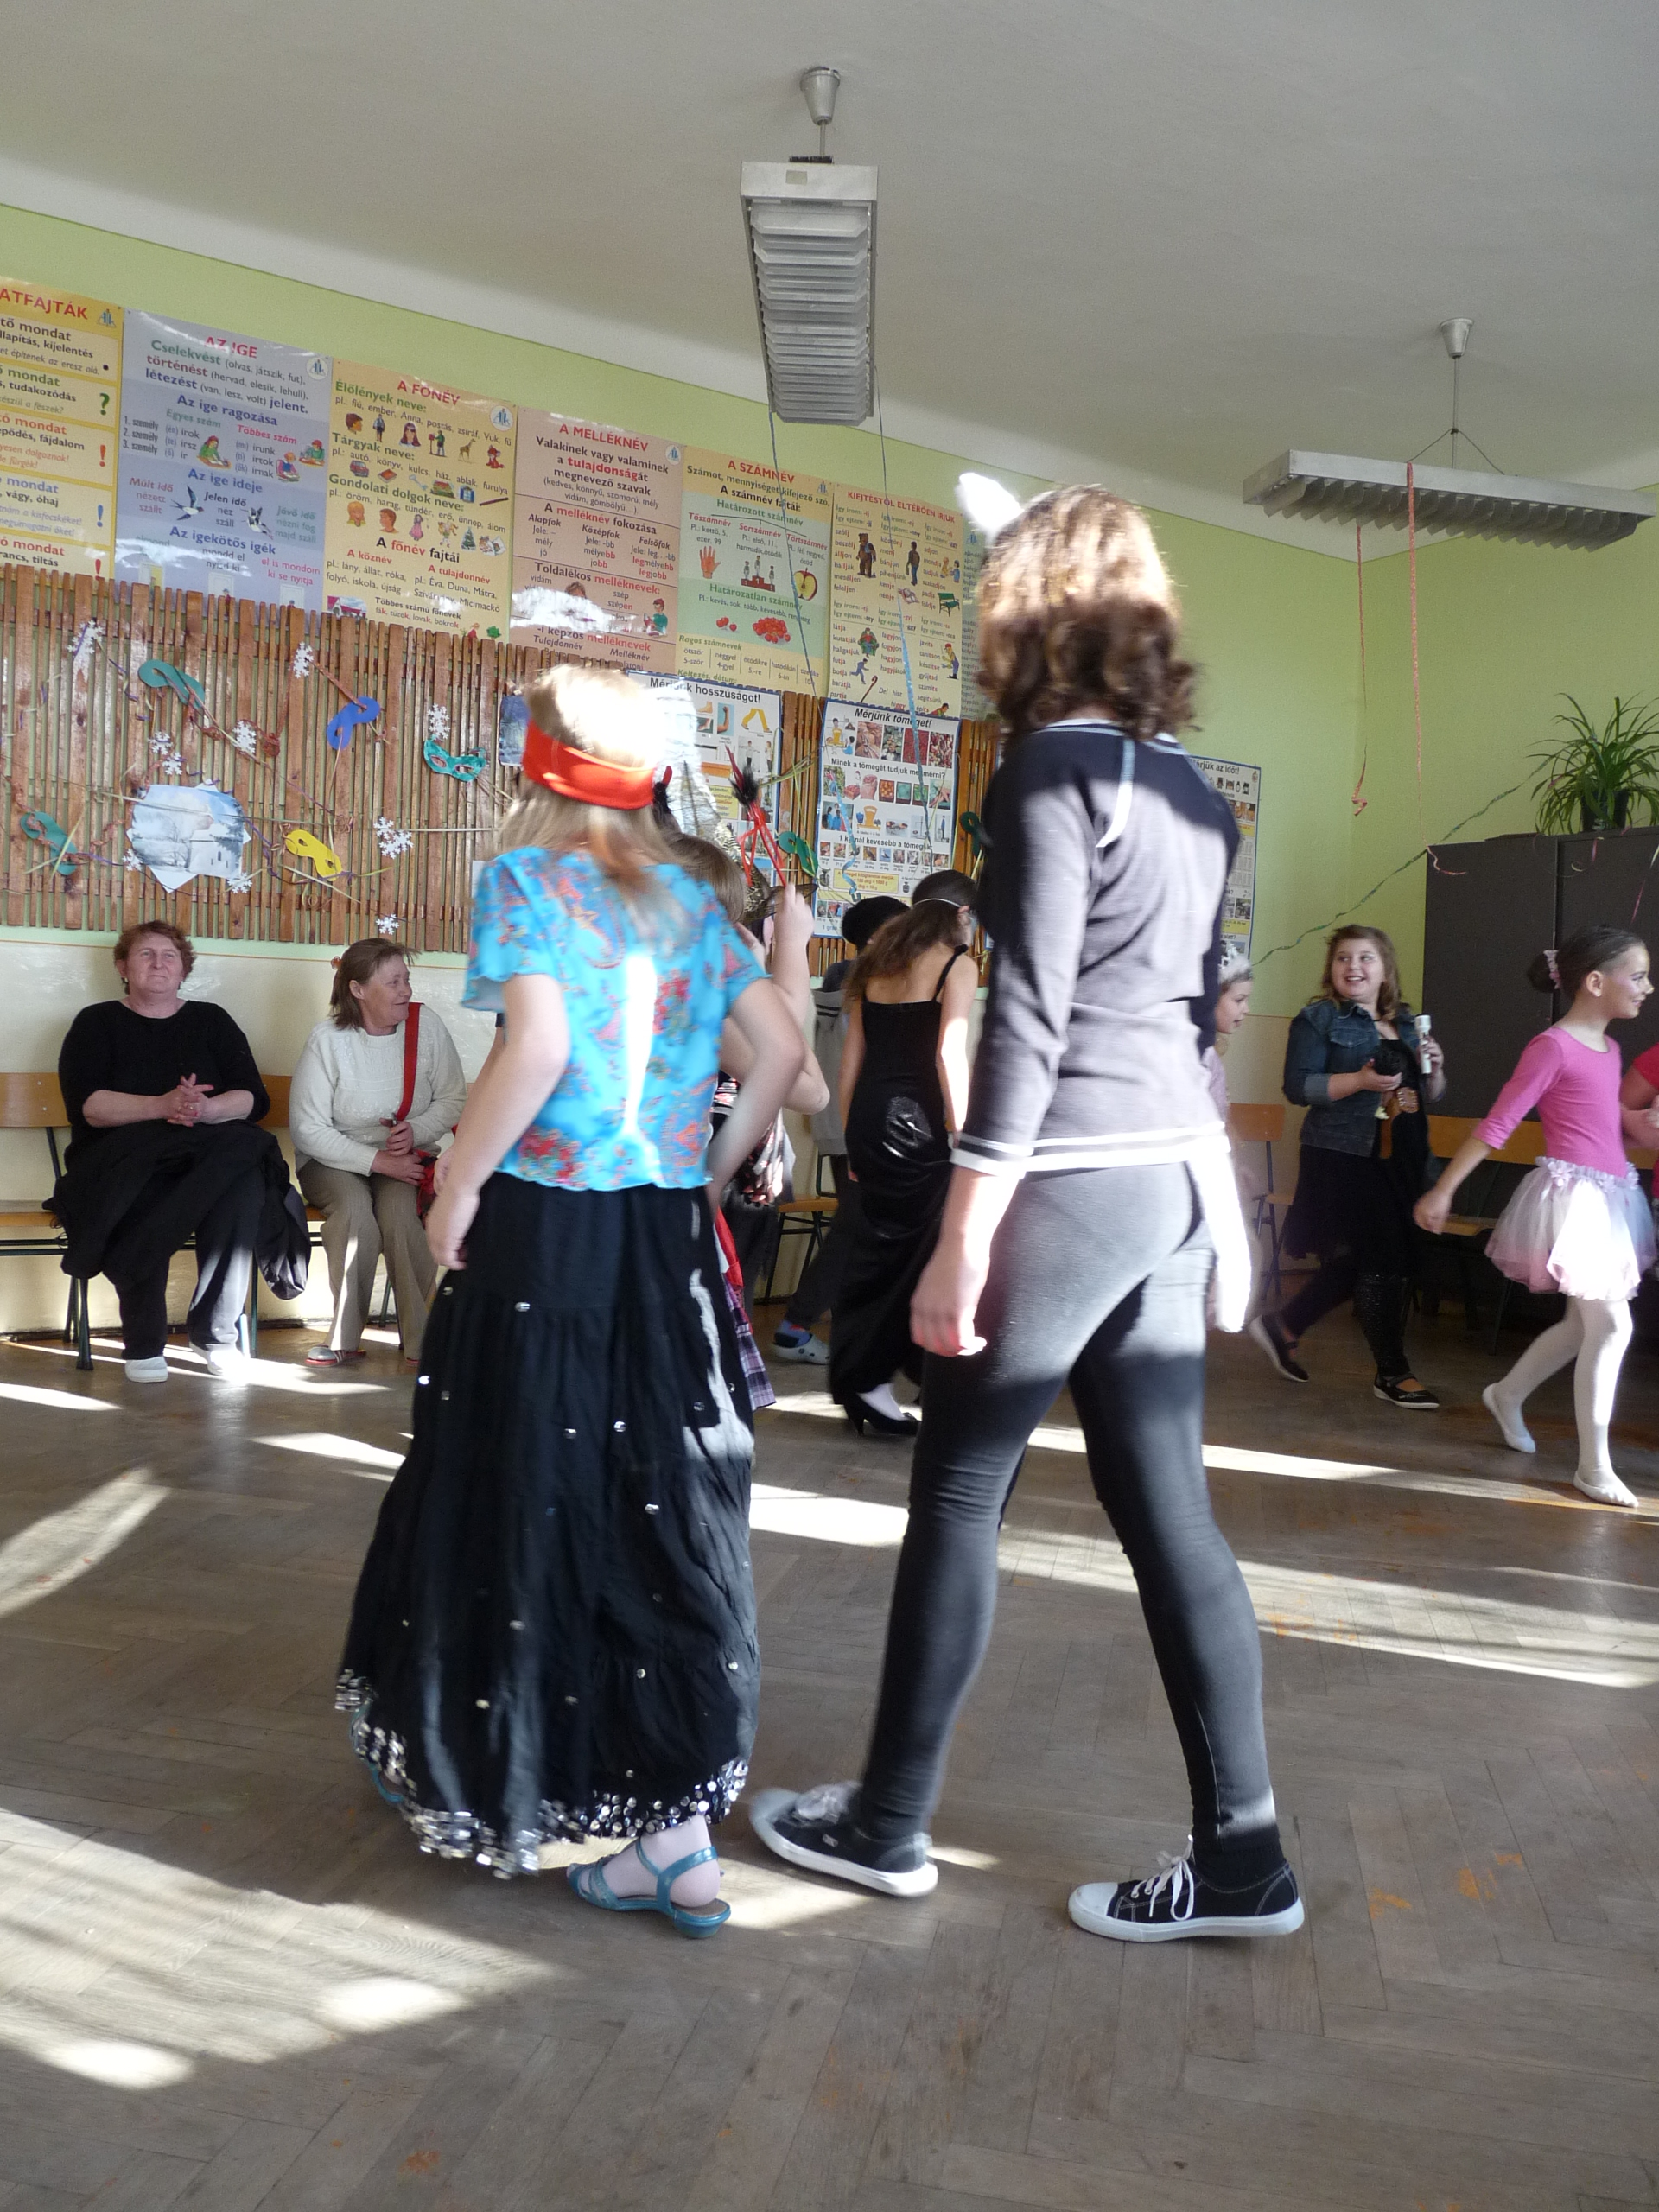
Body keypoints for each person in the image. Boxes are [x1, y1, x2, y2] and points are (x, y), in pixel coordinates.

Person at [752, 485, 1300, 1944]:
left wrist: (961, 1234)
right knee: (1168, 1512)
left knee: (958, 1492)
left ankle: (884, 1824)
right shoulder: (1188, 789)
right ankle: (1245, 1858)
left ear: (1028, 611)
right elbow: (1188, 1013)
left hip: (1068, 1184)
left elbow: (1034, 1022)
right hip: (1167, 1187)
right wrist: (1214, 1203)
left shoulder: (1050, 768)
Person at [337, 664, 804, 1933]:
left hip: (547, 1236)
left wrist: (456, 1188)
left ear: (537, 765)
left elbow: (536, 1048)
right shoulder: (692, 893)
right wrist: (709, 1172)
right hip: (662, 1236)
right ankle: (676, 1838)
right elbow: (783, 1054)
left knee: (519, 1480)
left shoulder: (528, 880)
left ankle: (499, 1758)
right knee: (655, 1495)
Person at [1417, 925, 1655, 1507]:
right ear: (1595, 982)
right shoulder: (1552, 1047)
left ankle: (1507, 1393)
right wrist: (1444, 1189)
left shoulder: (1610, 1050)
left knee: (1582, 1326)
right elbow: (1498, 1123)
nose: (1647, 987)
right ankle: (1593, 1467)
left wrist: (1643, 1123)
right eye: (1638, 975)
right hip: (1575, 1202)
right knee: (1613, 1327)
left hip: (1611, 1198)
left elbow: (1603, 1124)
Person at [54, 920, 289, 1383]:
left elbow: (253, 1099)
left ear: (183, 969)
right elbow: (90, 1108)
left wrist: (205, 1109)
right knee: (147, 1183)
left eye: (169, 956)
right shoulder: (95, 1022)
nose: (158, 963)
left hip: (204, 1148)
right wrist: (162, 1106)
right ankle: (143, 1341)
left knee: (243, 1182)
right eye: (146, 954)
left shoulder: (212, 1020)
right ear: (123, 967)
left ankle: (216, 1336)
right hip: (120, 1156)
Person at [1250, 926, 1446, 1407]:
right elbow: (1298, 1087)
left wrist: (1436, 1069)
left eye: (1365, 957)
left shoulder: (1405, 1022)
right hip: (1343, 1154)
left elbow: (1429, 1095)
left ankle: (1285, 1324)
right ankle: (1392, 1373)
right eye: (1343, 958)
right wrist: (1359, 1080)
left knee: (1370, 1256)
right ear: (1331, 968)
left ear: (1385, 969)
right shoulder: (1319, 1018)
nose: (1353, 966)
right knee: (1381, 1259)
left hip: (1400, 1158)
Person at [828, 873, 980, 1435]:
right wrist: (964, 1131)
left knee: (879, 1251)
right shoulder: (956, 964)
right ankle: (877, 1378)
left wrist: (853, 1138)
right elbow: (948, 1054)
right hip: (918, 1124)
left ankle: (874, 1375)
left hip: (870, 1119)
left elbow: (851, 1064)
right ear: (963, 914)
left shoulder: (876, 963)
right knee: (922, 1252)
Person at [290, 938, 467, 1366]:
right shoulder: (328, 1039)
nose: (406, 990)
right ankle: (343, 1338)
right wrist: (377, 1160)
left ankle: (423, 1342)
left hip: (404, 1161)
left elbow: (453, 1098)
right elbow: (308, 1129)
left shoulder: (426, 1027)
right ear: (358, 990)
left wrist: (416, 1130)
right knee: (354, 1214)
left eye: (406, 979)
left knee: (402, 1217)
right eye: (393, 982)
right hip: (332, 1161)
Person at [772, 894, 906, 1366]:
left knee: (860, 1226)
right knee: (857, 1228)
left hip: (840, 1123)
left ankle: (825, 1322)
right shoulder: (873, 986)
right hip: (862, 1125)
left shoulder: (842, 981)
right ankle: (796, 1326)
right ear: (878, 938)